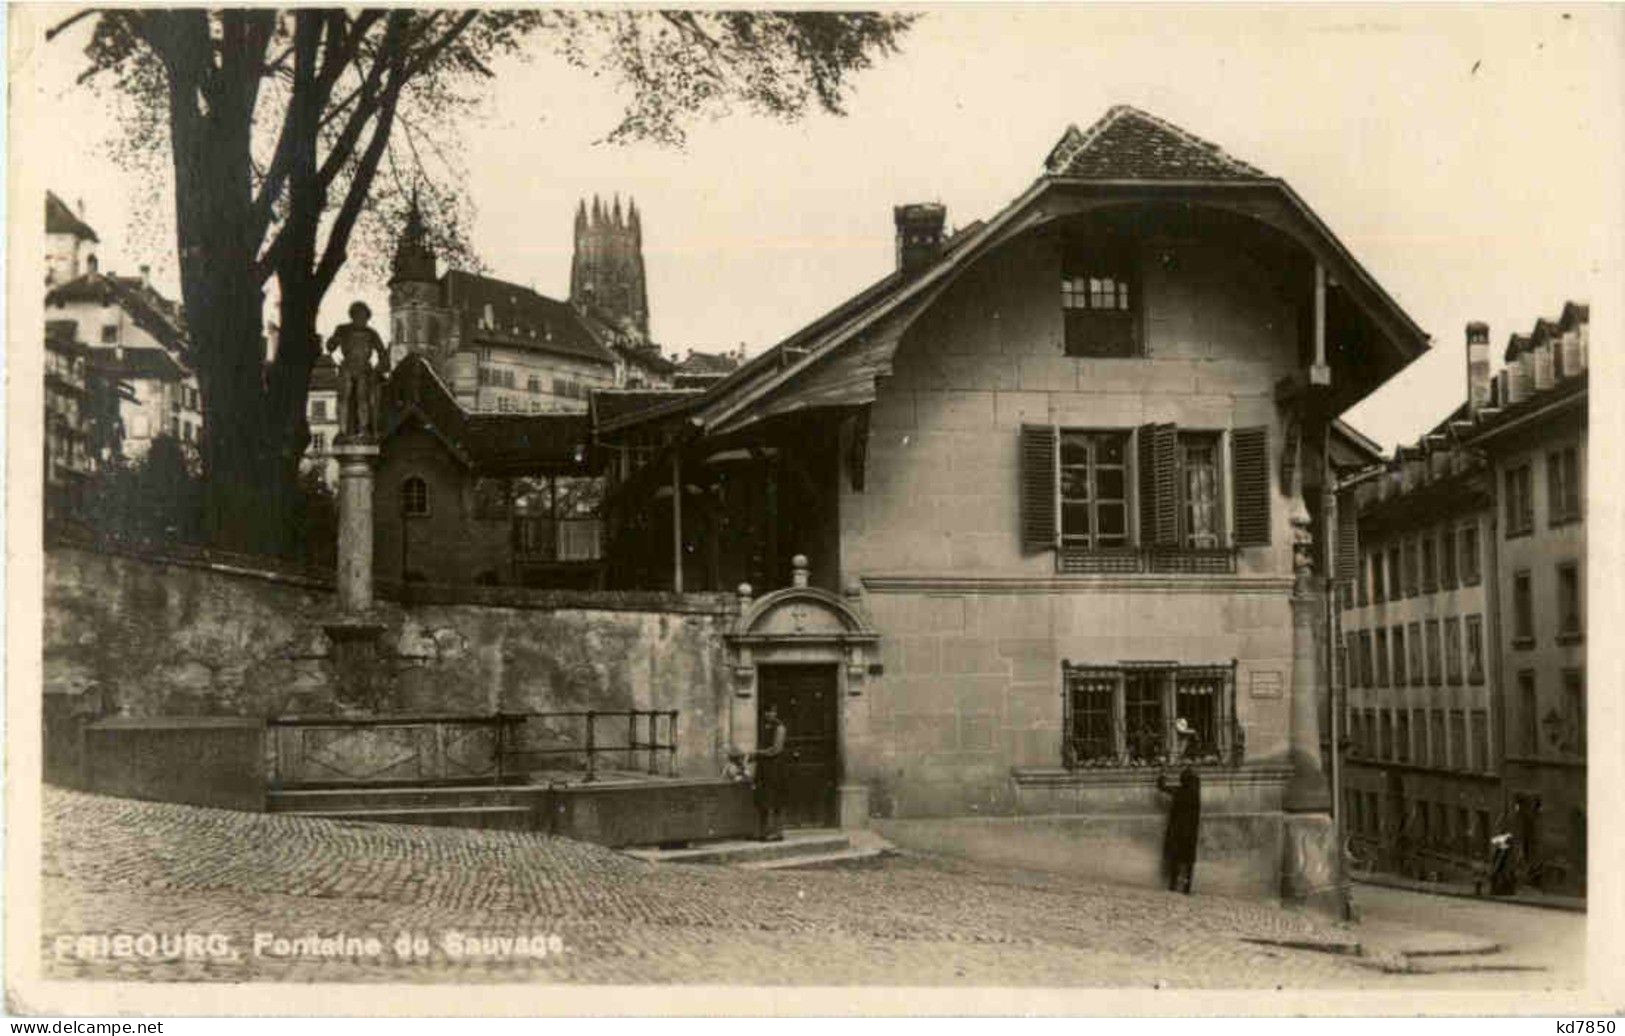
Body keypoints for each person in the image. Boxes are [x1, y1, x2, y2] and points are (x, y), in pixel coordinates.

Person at [326, 301, 390, 440]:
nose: (361, 319)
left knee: (363, 399)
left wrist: (377, 370)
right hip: (347, 367)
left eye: (364, 316)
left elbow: (383, 354)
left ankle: (364, 429)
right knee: (344, 399)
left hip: (364, 369)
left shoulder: (371, 333)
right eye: (358, 315)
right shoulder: (343, 329)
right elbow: (331, 346)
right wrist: (333, 341)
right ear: (352, 316)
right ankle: (342, 430)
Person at [1156, 766, 1201, 894]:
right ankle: (1186, 887)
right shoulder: (1195, 794)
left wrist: (1162, 774)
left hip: (1178, 831)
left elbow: (1162, 787)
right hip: (1191, 833)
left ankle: (1173, 884)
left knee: (1175, 859)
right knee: (1188, 861)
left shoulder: (1180, 792)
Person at [751, 705, 788, 842]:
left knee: (775, 799)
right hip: (764, 768)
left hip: (776, 768)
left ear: (776, 713)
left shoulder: (780, 728)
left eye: (771, 712)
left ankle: (777, 832)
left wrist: (757, 753)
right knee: (763, 799)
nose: (769, 714)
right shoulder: (764, 727)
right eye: (766, 712)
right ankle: (763, 831)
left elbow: (776, 749)